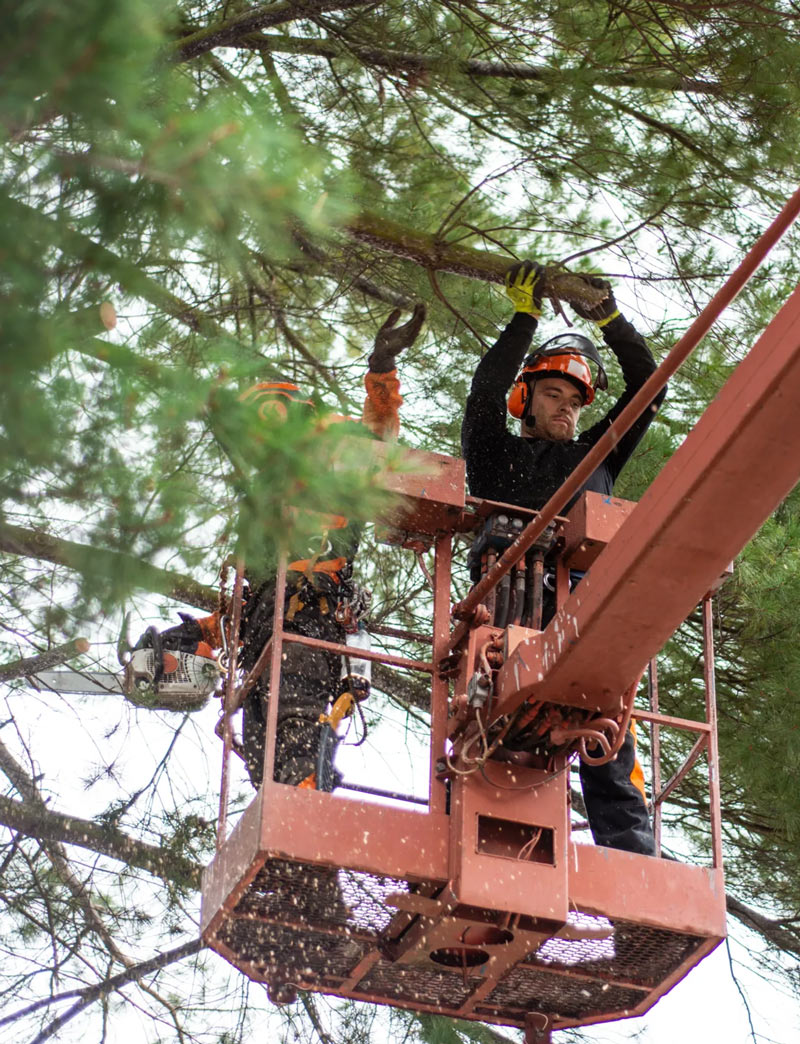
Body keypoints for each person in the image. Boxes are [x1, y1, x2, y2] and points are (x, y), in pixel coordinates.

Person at [132, 304, 425, 792]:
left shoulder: (333, 457)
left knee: (295, 732)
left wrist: (381, 370)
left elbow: (380, 437)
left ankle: (303, 806)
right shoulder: (264, 498)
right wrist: (195, 636)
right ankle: (286, 815)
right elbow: (259, 600)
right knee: (265, 763)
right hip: (265, 636)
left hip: (309, 620)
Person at [461, 260, 665, 856]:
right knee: (482, 744)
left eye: (575, 401)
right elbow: (484, 390)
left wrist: (611, 320)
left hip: (583, 617)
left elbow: (650, 386)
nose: (567, 409)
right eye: (553, 394)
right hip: (504, 622)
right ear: (524, 399)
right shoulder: (494, 454)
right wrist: (523, 318)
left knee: (608, 739)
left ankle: (632, 861)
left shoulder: (595, 456)